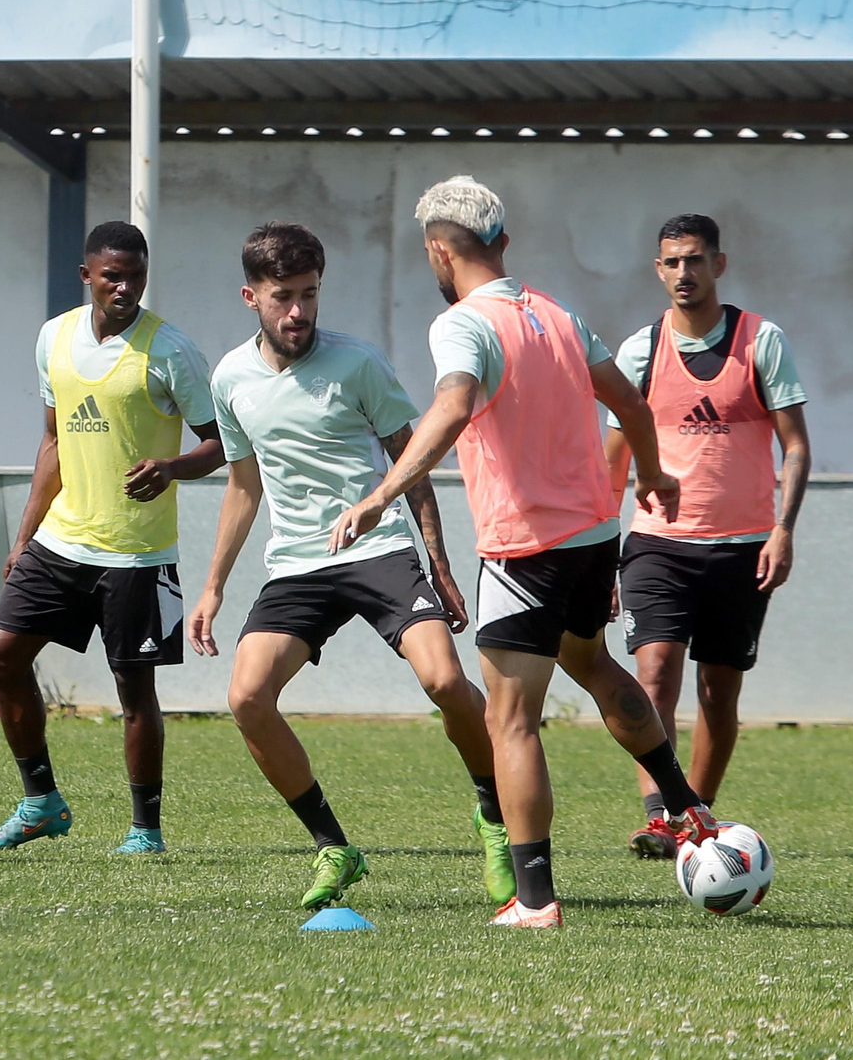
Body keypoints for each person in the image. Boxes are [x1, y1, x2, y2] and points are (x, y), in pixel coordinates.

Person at [330, 176, 718, 928]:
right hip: (594, 537)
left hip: (524, 548)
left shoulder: (462, 324)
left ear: (439, 251)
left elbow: (451, 406)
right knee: (593, 664)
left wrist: (382, 494)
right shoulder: (558, 313)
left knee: (511, 721)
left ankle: (535, 899)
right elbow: (631, 402)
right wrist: (652, 474)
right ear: (502, 240)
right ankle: (685, 804)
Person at [188, 222, 513, 912]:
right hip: (297, 566)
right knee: (247, 698)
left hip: (378, 548)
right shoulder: (230, 379)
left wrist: (439, 562)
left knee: (444, 679)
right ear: (251, 297)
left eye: (309, 294)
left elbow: (412, 462)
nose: (298, 311)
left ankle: (494, 815)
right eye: (283, 296)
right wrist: (212, 587)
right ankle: (334, 846)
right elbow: (243, 486)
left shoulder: (358, 362)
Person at [0, 221, 224, 854]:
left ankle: (145, 831)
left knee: (134, 692)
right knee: (2, 656)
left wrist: (171, 467)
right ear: (87, 275)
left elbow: (220, 443)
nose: (125, 287)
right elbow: (53, 439)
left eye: (136, 276)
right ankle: (41, 802)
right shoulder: (53, 338)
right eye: (112, 276)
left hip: (137, 553)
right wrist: (25, 536)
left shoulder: (171, 350)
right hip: (60, 541)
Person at [604, 214, 811, 858]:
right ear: (657, 270)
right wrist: (598, 555)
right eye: (671, 262)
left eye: (694, 259)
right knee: (654, 673)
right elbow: (612, 462)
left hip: (743, 547)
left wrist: (782, 530)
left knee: (719, 691)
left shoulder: (761, 341)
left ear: (718, 264)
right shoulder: (640, 351)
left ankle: (696, 813)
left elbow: (796, 446)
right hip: (656, 544)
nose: (683, 273)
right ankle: (659, 815)